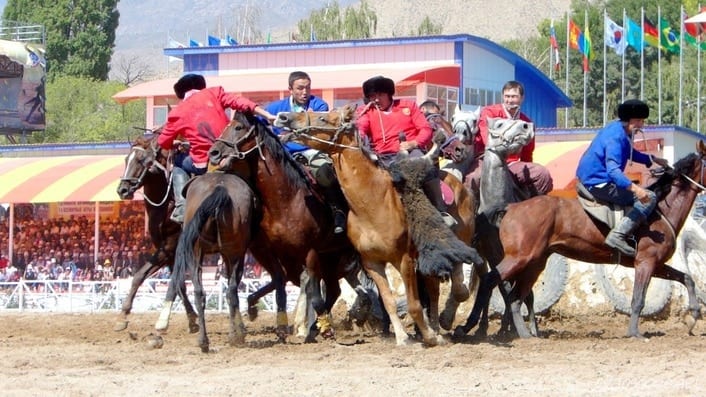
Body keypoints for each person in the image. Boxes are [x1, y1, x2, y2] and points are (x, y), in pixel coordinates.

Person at [158, 73, 276, 223]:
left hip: (204, 163)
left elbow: (163, 142)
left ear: (182, 94)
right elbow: (240, 102)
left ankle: (181, 206)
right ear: (201, 87)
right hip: (232, 156)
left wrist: (174, 143)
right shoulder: (214, 93)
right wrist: (266, 114)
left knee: (179, 163)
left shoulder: (177, 112)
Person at [356, 75, 456, 228]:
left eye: (379, 95)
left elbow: (425, 128)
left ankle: (440, 209)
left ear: (389, 94)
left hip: (411, 151)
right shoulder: (366, 112)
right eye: (372, 96)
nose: (375, 99)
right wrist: (359, 137)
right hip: (381, 157)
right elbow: (361, 129)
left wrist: (413, 143)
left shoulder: (408, 106)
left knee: (424, 166)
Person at [576, 99, 669, 257]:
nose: (642, 125)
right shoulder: (616, 138)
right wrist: (636, 190)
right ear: (628, 120)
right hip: (598, 182)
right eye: (638, 121)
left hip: (592, 177)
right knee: (650, 197)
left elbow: (629, 153)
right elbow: (614, 172)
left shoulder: (619, 129)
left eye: (642, 121)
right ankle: (618, 235)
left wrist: (652, 159)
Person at [266, 71, 347, 234]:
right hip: (284, 156)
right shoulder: (276, 108)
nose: (305, 92)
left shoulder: (319, 106)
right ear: (290, 89)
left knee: (325, 171)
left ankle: (338, 211)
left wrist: (289, 136)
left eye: (308, 88)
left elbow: (315, 133)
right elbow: (261, 121)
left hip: (312, 152)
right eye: (300, 88)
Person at [467, 80, 553, 197]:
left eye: (514, 97)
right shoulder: (490, 113)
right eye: (507, 96)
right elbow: (487, 139)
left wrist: (526, 170)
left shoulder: (526, 123)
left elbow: (527, 154)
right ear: (503, 96)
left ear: (522, 98)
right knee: (474, 178)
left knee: (542, 174)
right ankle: (474, 213)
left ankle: (530, 206)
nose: (510, 100)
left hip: (512, 164)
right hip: (486, 160)